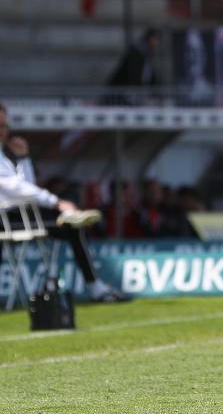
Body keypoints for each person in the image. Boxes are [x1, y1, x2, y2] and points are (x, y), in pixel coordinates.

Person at [0, 105, 130, 302]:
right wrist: (57, 203)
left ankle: (95, 286)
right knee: (70, 223)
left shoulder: (4, 156)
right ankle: (96, 288)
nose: (4, 131)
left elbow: (26, 186)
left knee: (71, 219)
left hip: (21, 215)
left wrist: (23, 158)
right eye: (0, 125)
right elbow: (17, 188)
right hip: (7, 219)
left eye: (5, 125)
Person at [106, 28, 161, 105]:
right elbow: (134, 74)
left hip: (132, 91)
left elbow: (150, 75)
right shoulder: (137, 53)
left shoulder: (147, 54)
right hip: (125, 92)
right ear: (150, 39)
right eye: (156, 40)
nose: (157, 43)